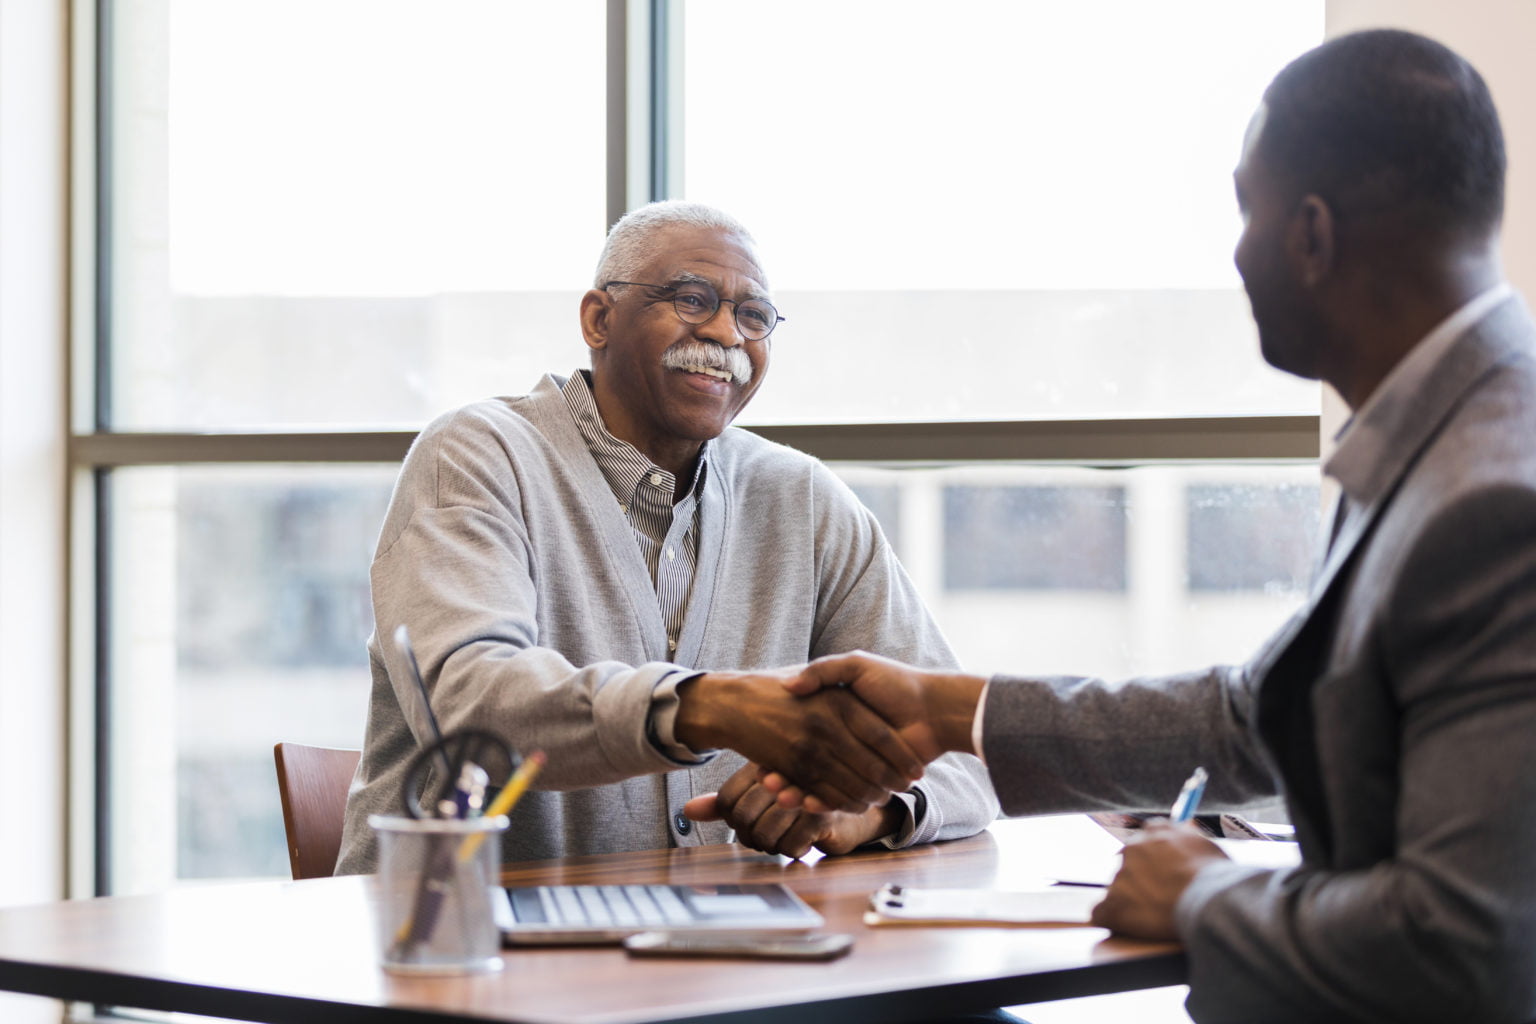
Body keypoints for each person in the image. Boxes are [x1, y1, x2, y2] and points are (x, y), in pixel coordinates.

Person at [774, 29, 1536, 1024]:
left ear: (1311, 234)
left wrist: (1200, 892)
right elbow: (1259, 715)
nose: (1235, 252)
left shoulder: (1494, 502)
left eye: (1243, 209)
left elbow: (1470, 948)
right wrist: (945, 708)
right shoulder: (1438, 437)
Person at [335, 200, 997, 873]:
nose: (726, 335)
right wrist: (708, 707)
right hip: (458, 947)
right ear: (599, 319)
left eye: (753, 316)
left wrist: (869, 809)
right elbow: (471, 711)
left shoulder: (801, 497)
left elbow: (962, 754)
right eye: (691, 298)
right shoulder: (476, 456)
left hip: (714, 959)